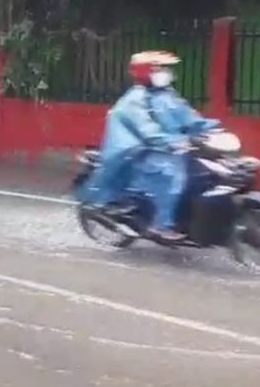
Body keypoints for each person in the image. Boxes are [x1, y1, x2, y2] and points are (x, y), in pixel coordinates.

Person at [77, 50, 220, 243]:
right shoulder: (135, 100)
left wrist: (210, 129)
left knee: (202, 171)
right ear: (146, 72)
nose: (166, 73)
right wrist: (174, 142)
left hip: (171, 148)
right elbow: (148, 131)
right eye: (159, 69)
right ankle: (161, 225)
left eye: (165, 69)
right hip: (140, 152)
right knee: (170, 175)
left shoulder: (167, 95)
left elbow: (188, 116)